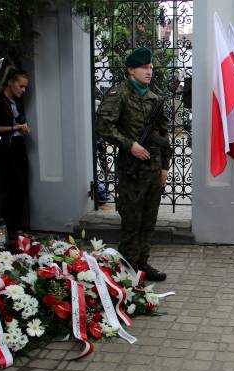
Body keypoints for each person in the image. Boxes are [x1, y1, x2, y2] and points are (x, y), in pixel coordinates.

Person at [96, 47, 171, 282]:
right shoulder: (118, 94)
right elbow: (104, 127)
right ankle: (126, 269)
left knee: (149, 220)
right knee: (132, 220)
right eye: (144, 68)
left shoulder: (154, 98)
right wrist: (130, 145)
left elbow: (164, 134)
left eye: (151, 68)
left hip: (153, 169)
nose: (149, 72)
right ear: (131, 70)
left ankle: (142, 263)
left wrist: (164, 167)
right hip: (132, 171)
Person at [0, 68, 31, 234]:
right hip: (5, 148)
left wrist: (23, 128)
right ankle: (8, 227)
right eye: (21, 86)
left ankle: (17, 227)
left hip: (19, 146)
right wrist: (16, 127)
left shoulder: (17, 102)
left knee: (22, 187)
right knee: (15, 187)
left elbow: (19, 121)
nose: (23, 90)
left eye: (25, 87)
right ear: (10, 82)